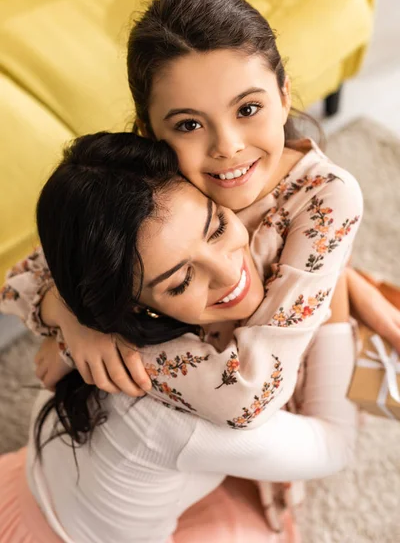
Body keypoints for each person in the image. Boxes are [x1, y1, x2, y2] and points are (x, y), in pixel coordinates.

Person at [0, 131, 357, 543]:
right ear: (131, 306)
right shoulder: (196, 403)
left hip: (38, 487)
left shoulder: (92, 285)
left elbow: (26, 278)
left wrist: (67, 319)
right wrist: (330, 287)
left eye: (218, 226)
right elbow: (336, 446)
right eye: (182, 281)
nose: (229, 274)